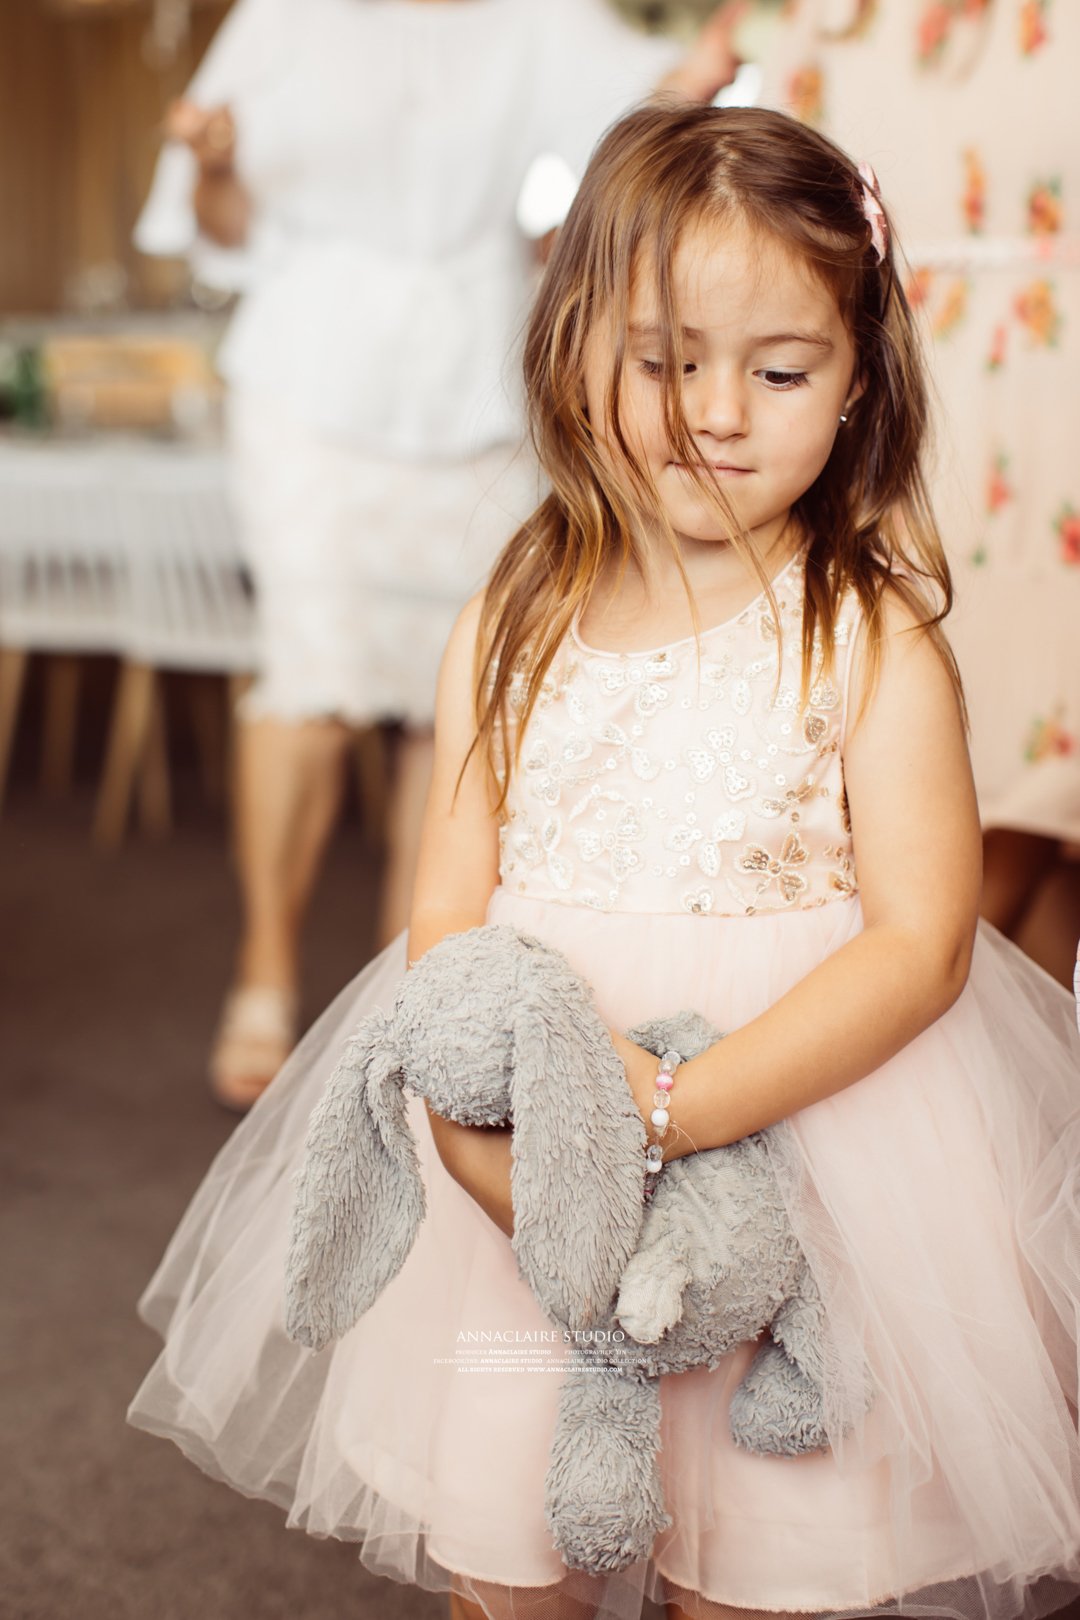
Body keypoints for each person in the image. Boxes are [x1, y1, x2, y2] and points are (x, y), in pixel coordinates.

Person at [127, 103, 1080, 1620]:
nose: (714, 412)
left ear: (857, 383)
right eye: (663, 361)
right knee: (514, 1543)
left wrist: (671, 1111)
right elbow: (448, 902)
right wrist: (489, 1139)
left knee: (763, 1554)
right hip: (526, 1173)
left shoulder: (869, 632)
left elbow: (923, 943)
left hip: (806, 1170)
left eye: (780, 371)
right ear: (575, 343)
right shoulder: (517, 611)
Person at [134, 0, 743, 1110]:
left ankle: (399, 983)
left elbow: (648, 105)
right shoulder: (286, 16)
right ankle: (265, 964)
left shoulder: (537, 17)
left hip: (478, 385)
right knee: (312, 678)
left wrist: (725, 47)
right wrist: (213, 161)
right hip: (309, 384)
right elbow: (218, 221)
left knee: (451, 698)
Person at [758, 0, 1080, 986]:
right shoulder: (826, 17)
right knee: (951, 764)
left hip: (1052, 411)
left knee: (1041, 787)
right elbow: (714, 172)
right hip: (904, 410)